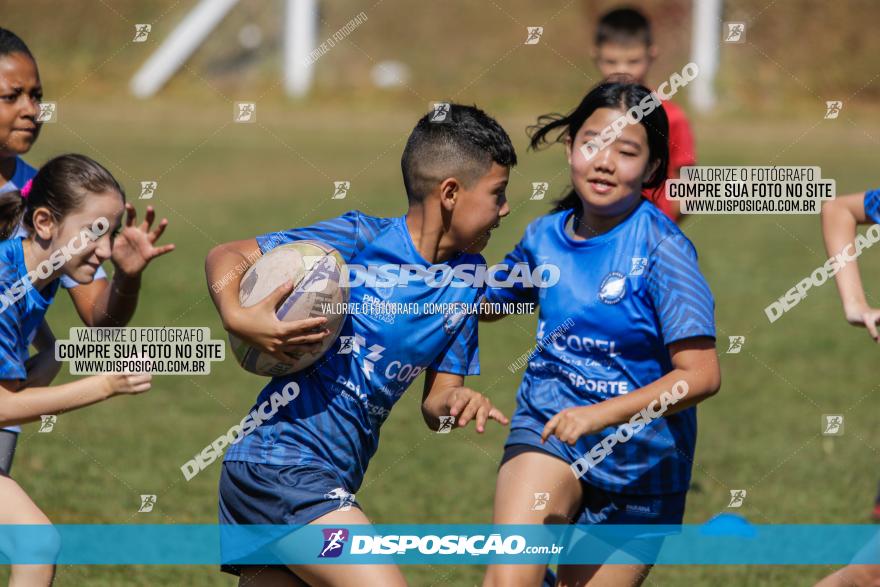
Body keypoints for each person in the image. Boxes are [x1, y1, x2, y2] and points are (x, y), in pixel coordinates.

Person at [207, 104, 514, 586]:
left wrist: (458, 401)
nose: (506, 209)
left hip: (326, 478)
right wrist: (237, 315)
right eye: (498, 194)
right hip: (280, 464)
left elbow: (436, 405)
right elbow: (226, 255)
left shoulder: (465, 284)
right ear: (450, 193)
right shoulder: (359, 239)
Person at [481, 81, 720, 587]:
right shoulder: (543, 238)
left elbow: (700, 376)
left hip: (642, 465)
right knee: (509, 580)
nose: (604, 161)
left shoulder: (665, 250)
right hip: (549, 434)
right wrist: (422, 264)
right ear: (570, 146)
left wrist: (599, 416)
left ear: (652, 168)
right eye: (592, 143)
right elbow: (485, 302)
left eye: (626, 150)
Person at [0, 26, 172, 476]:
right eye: (11, 97)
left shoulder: (43, 193)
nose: (31, 111)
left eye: (37, 97)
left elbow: (100, 320)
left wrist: (128, 277)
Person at [0, 153, 156, 586]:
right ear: (46, 222)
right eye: (94, 233)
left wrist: (54, 349)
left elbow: (21, 386)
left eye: (111, 235)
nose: (104, 251)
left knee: (35, 545)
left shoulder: (31, 276)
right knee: (35, 544)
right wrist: (105, 385)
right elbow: (4, 407)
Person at [591, 7, 696, 223]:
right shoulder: (590, 114)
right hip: (601, 230)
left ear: (651, 56)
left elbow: (688, 185)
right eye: (611, 62)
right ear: (596, 56)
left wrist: (666, 223)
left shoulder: (671, 116)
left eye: (633, 61)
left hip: (653, 230)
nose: (622, 71)